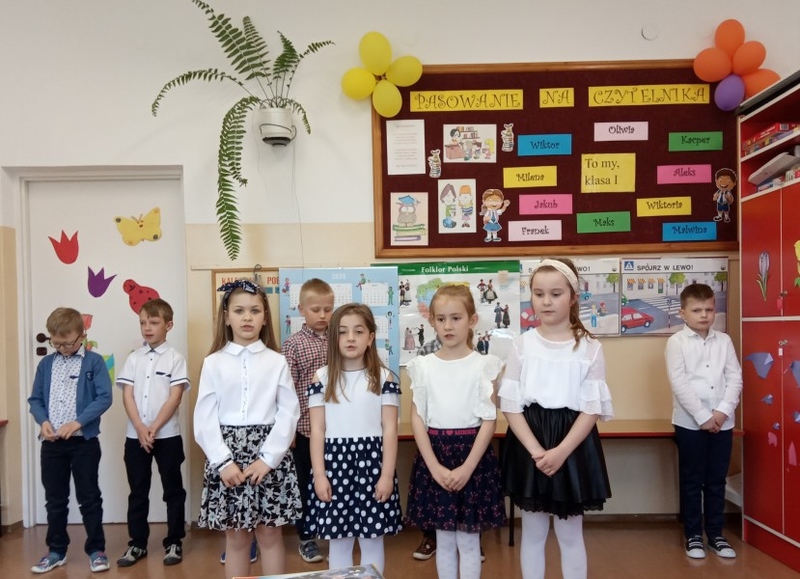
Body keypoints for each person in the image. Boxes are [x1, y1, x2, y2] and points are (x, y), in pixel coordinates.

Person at [499, 258, 613, 579]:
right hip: (530, 441)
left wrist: (561, 452)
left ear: (573, 297)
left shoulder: (590, 348)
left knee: (570, 534)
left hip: (572, 443)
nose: (546, 301)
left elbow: (591, 408)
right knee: (533, 532)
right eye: (538, 294)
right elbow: (510, 404)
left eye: (555, 294)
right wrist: (537, 452)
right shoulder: (522, 345)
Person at [195, 279, 302, 579]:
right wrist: (222, 462)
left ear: (265, 317)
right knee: (237, 538)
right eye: (239, 310)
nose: (247, 317)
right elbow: (204, 417)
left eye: (255, 311)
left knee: (270, 534)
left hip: (269, 455)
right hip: (227, 455)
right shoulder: (213, 363)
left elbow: (288, 412)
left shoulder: (277, 362)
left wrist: (268, 459)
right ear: (226, 317)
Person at [406, 285, 506, 579]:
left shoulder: (484, 365)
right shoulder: (423, 366)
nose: (448, 326)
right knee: (445, 540)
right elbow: (417, 417)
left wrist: (468, 467)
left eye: (456, 318)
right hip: (435, 454)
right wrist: (433, 466)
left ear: (472, 321)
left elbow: (489, 420)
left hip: (472, 456)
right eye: (441, 319)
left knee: (469, 541)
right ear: (432, 322)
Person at [307, 303, 402, 574]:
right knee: (339, 540)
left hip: (372, 466)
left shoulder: (384, 377)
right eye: (343, 332)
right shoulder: (321, 377)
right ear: (333, 337)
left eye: (358, 332)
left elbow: (389, 430)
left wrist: (386, 475)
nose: (350, 338)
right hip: (334, 467)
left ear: (370, 338)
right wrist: (319, 475)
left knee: (372, 539)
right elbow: (317, 430)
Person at [27, 307, 113, 574]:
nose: (63, 348)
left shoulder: (94, 362)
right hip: (52, 446)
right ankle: (56, 551)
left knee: (89, 497)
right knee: (55, 499)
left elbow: (104, 398)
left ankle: (96, 550)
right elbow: (35, 400)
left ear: (82, 336)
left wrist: (77, 423)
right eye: (57, 343)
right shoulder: (46, 365)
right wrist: (43, 421)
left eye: (68, 343)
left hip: (83, 443)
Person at [665, 283, 742, 560]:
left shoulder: (724, 341)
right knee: (692, 480)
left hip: (723, 422)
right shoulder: (677, 343)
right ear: (683, 313)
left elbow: (735, 379)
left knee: (716, 480)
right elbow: (679, 383)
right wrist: (703, 417)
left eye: (709, 309)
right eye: (697, 310)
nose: (704, 315)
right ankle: (693, 536)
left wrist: (722, 412)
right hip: (690, 424)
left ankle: (716, 535)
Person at [115, 298, 190, 567]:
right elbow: (127, 395)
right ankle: (137, 544)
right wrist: (140, 428)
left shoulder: (175, 359)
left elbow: (174, 398)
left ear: (168, 325)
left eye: (154, 322)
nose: (147, 328)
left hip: (167, 436)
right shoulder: (134, 359)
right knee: (138, 491)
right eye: (143, 323)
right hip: (136, 437)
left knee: (173, 490)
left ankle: (174, 541)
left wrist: (154, 428)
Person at [281, 278, 334, 564]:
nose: (323, 315)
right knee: (305, 485)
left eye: (328, 308)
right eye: (316, 309)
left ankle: (335, 530)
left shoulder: (340, 339)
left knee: (334, 481)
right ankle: (306, 537)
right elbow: (285, 390)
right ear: (301, 309)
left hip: (337, 429)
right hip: (304, 431)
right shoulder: (293, 345)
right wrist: (288, 429)